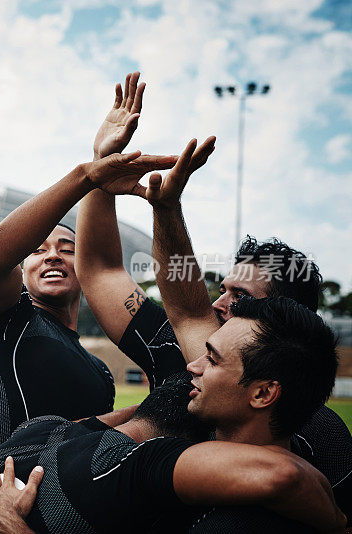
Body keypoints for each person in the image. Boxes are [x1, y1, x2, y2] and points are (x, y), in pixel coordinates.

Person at [76, 72, 351, 528]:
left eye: (239, 297)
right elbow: (105, 270)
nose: (219, 305)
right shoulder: (177, 347)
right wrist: (99, 171)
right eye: (221, 288)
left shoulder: (322, 439)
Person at [0, 147, 179, 532]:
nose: (52, 256)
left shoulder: (101, 372)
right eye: (38, 250)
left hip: (66, 518)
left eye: (67, 249)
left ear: (84, 267)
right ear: (22, 270)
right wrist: (88, 175)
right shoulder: (7, 320)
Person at [0, 303, 345, 533]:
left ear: (262, 393)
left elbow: (284, 477)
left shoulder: (245, 515)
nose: (192, 366)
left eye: (211, 360)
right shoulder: (177, 460)